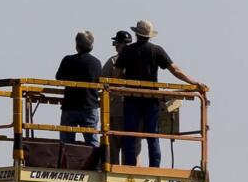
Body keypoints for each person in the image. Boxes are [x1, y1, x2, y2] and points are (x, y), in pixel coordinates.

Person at [114, 20, 207, 167]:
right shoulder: (157, 51)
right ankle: (155, 167)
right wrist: (193, 82)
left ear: (136, 34)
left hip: (131, 98)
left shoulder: (127, 51)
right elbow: (175, 70)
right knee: (153, 135)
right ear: (150, 36)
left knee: (130, 134)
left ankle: (130, 166)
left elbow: (117, 74)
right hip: (151, 99)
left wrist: (119, 84)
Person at [55, 31, 102, 146]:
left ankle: (66, 164)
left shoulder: (68, 60)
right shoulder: (96, 63)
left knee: (66, 142)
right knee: (92, 141)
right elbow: (99, 82)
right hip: (90, 106)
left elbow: (59, 77)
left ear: (77, 45)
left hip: (70, 105)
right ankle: (96, 163)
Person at [99, 30, 132, 162]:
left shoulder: (113, 61)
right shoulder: (138, 60)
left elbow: (101, 82)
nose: (115, 46)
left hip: (116, 111)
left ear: (121, 44)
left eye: (116, 43)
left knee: (113, 154)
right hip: (134, 113)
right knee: (130, 152)